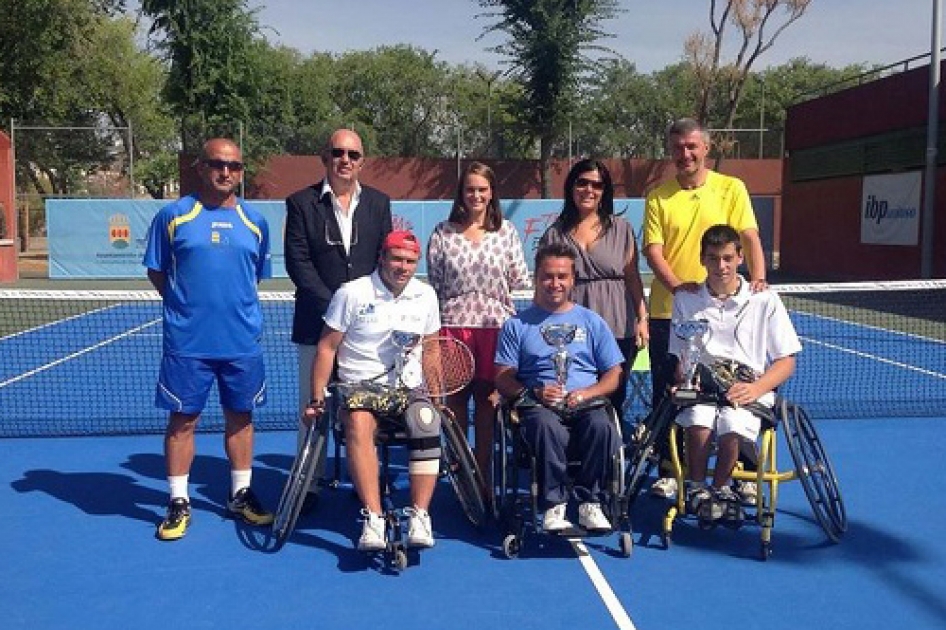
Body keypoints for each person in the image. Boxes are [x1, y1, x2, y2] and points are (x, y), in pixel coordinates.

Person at [143, 138, 273, 541]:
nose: (226, 172)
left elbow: (252, 278)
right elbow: (158, 272)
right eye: (217, 164)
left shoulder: (256, 222)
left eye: (234, 166)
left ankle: (240, 494)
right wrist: (186, 310)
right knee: (183, 422)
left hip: (241, 343)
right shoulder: (173, 216)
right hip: (188, 344)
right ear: (201, 167)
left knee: (242, 419)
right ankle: (179, 501)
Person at [643, 117, 768, 501]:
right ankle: (669, 468)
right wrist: (680, 289)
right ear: (670, 150)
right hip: (671, 313)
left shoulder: (732, 188)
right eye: (678, 147)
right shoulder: (658, 196)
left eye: (692, 147)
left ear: (706, 149)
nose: (686, 154)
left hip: (725, 315)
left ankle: (744, 472)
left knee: (737, 389)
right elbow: (654, 251)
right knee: (670, 393)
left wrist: (759, 278)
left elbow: (748, 235)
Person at [305, 230, 442, 551]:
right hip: (358, 387)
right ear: (382, 257)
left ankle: (420, 515)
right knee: (358, 422)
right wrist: (316, 398)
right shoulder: (352, 293)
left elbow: (432, 349)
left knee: (426, 419)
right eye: (397, 258)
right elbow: (326, 348)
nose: (403, 267)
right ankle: (374, 518)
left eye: (410, 261)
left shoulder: (426, 296)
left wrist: (436, 396)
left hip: (407, 389)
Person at [285, 128, 393, 501]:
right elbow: (298, 263)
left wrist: (361, 314)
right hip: (316, 326)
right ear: (325, 158)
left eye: (353, 154)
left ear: (362, 161)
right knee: (314, 409)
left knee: (367, 409)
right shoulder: (301, 203)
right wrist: (337, 311)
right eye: (337, 153)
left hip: (367, 332)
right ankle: (308, 484)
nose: (345, 160)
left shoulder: (379, 204)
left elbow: (386, 263)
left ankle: (366, 480)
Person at [668, 224, 801, 520]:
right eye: (713, 258)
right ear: (702, 259)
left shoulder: (765, 299)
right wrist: (683, 382)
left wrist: (756, 389)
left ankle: (722, 489)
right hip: (703, 387)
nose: (721, 266)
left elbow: (786, 361)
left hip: (749, 389)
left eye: (727, 257)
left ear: (740, 257)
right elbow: (680, 357)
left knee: (732, 420)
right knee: (699, 418)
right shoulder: (685, 300)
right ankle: (697, 487)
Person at [494, 242, 624, 533]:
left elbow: (614, 373)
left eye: (562, 277)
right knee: (545, 425)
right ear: (536, 279)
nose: (555, 283)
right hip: (539, 406)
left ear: (573, 279)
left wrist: (587, 393)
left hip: (585, 403)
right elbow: (502, 377)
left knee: (602, 427)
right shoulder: (516, 325)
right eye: (548, 276)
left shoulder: (592, 321)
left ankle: (590, 502)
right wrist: (533, 393)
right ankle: (553, 505)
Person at [426, 161, 531, 483]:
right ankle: (461, 469)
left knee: (488, 403)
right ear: (461, 193)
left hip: (496, 330)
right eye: (470, 189)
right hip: (453, 328)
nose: (476, 195)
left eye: (482, 189)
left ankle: (483, 471)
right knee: (455, 402)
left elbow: (519, 277)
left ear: (492, 193)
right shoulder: (443, 233)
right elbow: (436, 283)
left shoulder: (507, 232)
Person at [539, 158, 649, 414]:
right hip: (571, 328)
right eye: (582, 183)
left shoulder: (622, 229)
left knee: (614, 396)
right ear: (571, 187)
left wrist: (642, 317)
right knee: (574, 392)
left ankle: (610, 448)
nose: (589, 190)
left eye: (597, 185)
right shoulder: (554, 234)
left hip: (617, 324)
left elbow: (632, 278)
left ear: (604, 191)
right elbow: (545, 286)